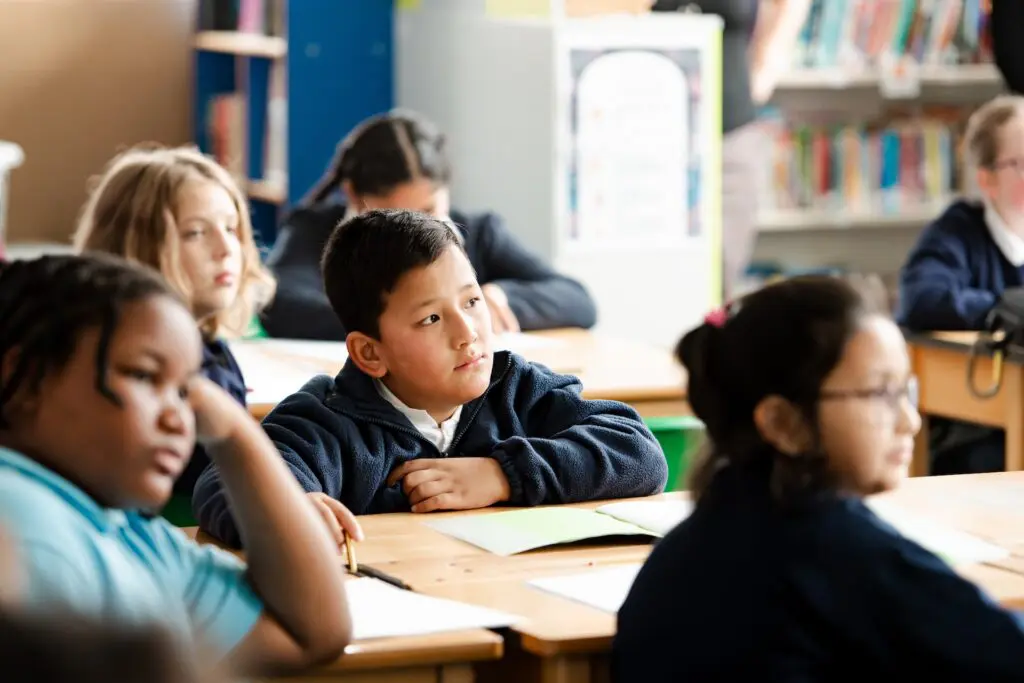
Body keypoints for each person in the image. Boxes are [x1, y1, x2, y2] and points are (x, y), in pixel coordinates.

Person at [613, 275, 1024, 681]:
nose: (910, 420)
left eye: (905, 391)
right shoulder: (841, 553)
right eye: (880, 395)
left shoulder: (690, 541)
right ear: (783, 423)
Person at [194, 210, 666, 548]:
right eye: (431, 320)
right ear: (369, 353)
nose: (467, 334)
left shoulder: (517, 388)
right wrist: (286, 510)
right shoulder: (327, 418)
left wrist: (503, 475)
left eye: (472, 302)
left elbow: (640, 453)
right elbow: (223, 483)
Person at [0, 254, 357, 674]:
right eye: (143, 376)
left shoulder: (132, 533)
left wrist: (233, 431)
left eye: (187, 391)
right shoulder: (21, 522)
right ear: (22, 379)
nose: (179, 417)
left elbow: (312, 634)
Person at [260, 110, 597, 339]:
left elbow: (576, 300)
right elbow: (279, 303)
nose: (417, 228)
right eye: (395, 217)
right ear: (353, 195)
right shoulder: (312, 230)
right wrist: (424, 319)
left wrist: (497, 300)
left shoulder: (478, 233)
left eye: (429, 209)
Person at [73, 145, 276, 514]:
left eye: (231, 228)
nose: (225, 248)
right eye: (196, 233)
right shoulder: (126, 371)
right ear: (138, 249)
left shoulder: (211, 348)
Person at [898, 95, 1024, 473]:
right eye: (1021, 164)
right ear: (987, 179)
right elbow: (924, 299)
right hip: (978, 431)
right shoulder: (958, 232)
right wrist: (1009, 311)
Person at [652, 0, 811, 296]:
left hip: (730, 130)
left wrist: (768, 61)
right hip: (650, 136)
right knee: (655, 272)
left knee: (722, 270)